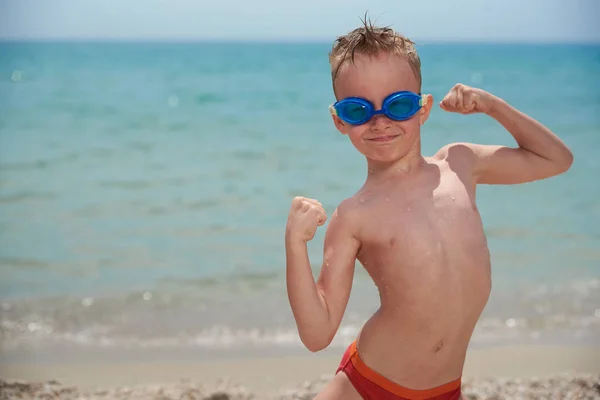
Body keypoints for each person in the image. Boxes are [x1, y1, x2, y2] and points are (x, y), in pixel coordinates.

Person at [284, 17, 573, 400]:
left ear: (423, 108)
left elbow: (555, 159)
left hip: (446, 390)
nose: (380, 121)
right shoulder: (354, 215)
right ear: (339, 120)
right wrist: (294, 244)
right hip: (367, 387)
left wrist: (490, 105)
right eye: (358, 111)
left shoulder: (460, 163)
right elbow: (317, 334)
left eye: (398, 105)